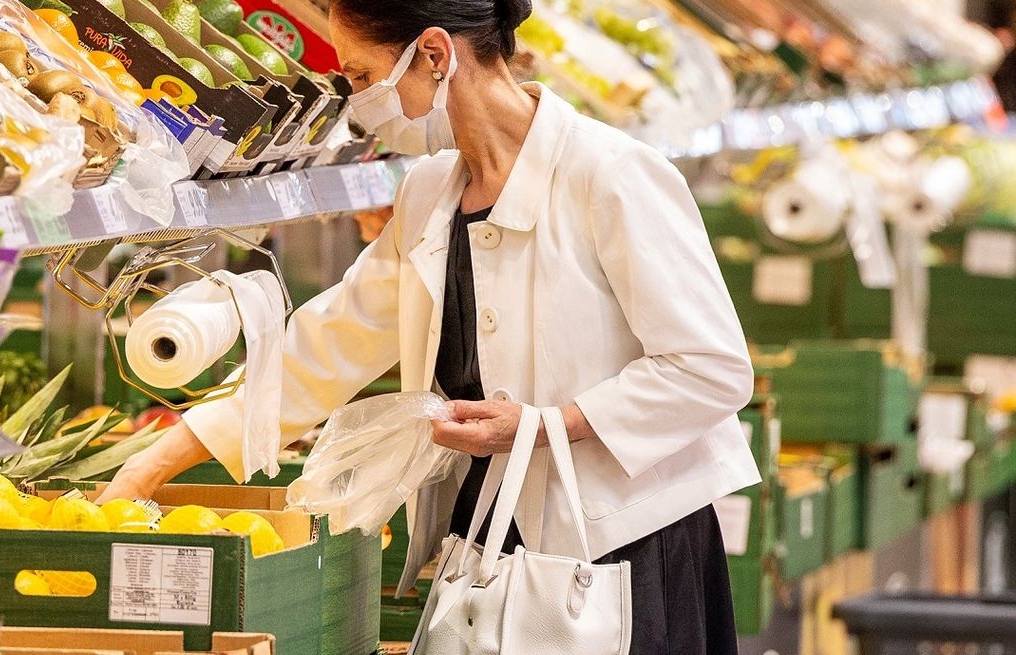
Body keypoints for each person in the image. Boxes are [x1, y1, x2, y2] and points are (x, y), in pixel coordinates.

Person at [101, 0, 761, 651]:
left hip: (628, 549)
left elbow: (710, 368)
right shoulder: (430, 191)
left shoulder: (612, 175)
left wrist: (549, 423)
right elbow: (333, 341)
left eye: (360, 77)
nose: (355, 102)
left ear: (436, 56)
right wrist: (149, 465)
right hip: (491, 535)